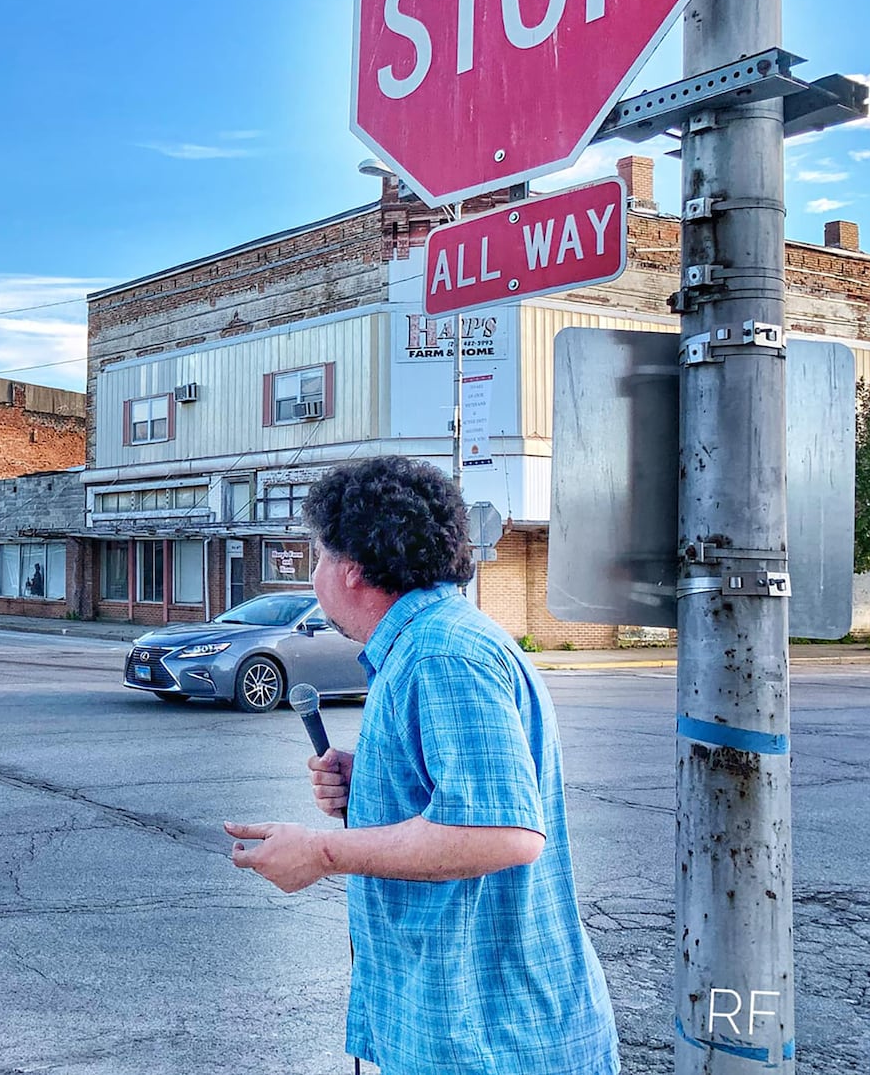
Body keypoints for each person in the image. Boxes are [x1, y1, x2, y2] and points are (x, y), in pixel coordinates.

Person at [224, 456, 618, 1075]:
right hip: (462, 1026)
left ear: (353, 569)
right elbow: (466, 801)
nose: (316, 574)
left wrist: (322, 853)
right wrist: (376, 782)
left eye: (320, 555)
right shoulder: (428, 642)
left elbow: (502, 835)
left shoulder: (441, 655)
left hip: (487, 1039)